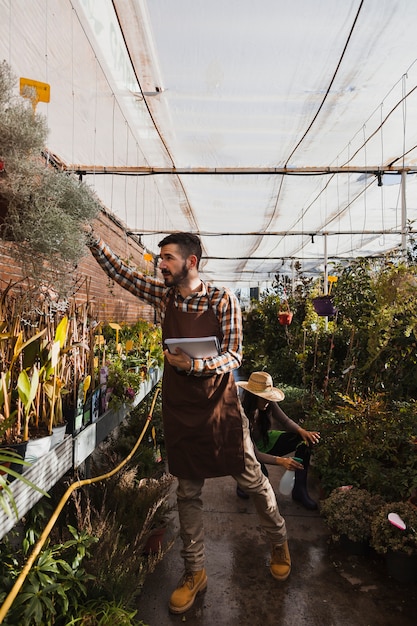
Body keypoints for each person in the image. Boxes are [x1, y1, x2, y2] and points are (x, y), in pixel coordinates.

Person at [86, 230, 292, 614]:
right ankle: (194, 571)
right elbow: (120, 273)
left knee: (253, 481)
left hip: (220, 407)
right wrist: (91, 237)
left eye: (166, 258)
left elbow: (233, 355)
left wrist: (197, 364)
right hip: (181, 408)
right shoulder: (163, 295)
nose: (159, 264)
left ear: (190, 262)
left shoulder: (221, 299)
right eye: (159, 258)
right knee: (187, 492)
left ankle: (278, 541)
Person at [236, 371, 320, 510]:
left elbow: (285, 421)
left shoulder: (267, 403)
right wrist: (282, 461)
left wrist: (302, 431)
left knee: (303, 440)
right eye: (264, 398)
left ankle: (299, 491)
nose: (268, 401)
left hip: (263, 441)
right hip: (244, 452)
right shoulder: (240, 415)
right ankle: (243, 483)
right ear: (253, 396)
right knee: (262, 476)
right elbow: (253, 453)